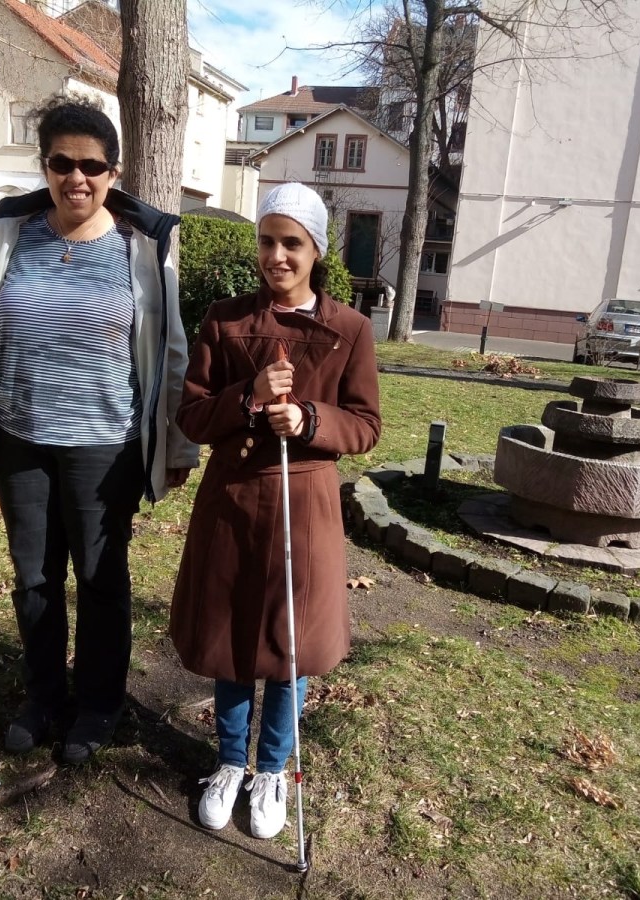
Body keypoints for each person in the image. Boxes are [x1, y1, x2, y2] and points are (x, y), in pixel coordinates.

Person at [0, 96, 198, 765]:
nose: (77, 177)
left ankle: (98, 704)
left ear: (113, 170)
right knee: (33, 577)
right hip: (22, 437)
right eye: (62, 163)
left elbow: (174, 352)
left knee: (101, 579)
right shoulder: (14, 235)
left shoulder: (142, 247)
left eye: (92, 165)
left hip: (105, 447)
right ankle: (42, 695)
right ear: (45, 165)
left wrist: (179, 445)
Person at [170, 182, 382, 839]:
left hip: (304, 502)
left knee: (292, 645)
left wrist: (311, 418)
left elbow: (366, 424)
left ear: (317, 249)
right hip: (233, 499)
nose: (277, 256)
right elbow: (194, 414)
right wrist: (249, 396)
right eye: (267, 241)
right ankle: (230, 760)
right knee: (233, 639)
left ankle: (272, 770)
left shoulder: (349, 329)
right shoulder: (226, 320)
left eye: (292, 243)